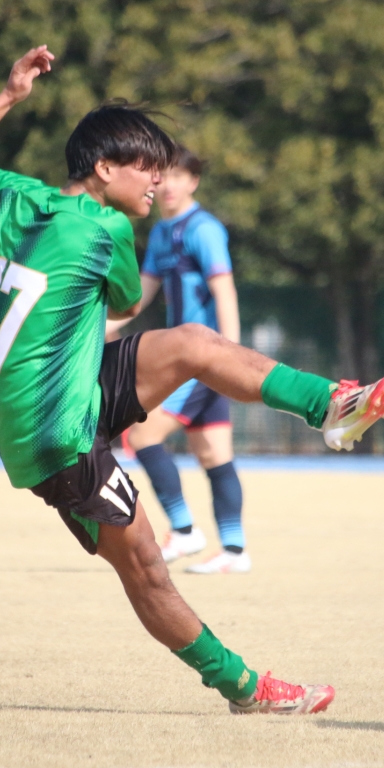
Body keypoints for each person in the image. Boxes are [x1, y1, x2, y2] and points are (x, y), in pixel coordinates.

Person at [0, 46, 384, 715]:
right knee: (146, 568)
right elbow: (123, 301)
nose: (158, 178)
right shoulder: (107, 228)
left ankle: (331, 404)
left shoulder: (13, 196)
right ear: (103, 169)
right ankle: (245, 687)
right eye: (146, 166)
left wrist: (8, 96)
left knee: (194, 343)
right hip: (55, 434)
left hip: (67, 389)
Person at [107, 147, 251, 573]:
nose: (167, 184)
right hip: (193, 360)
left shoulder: (204, 229)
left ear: (193, 182)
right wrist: (98, 328)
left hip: (202, 362)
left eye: (177, 176)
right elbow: (140, 297)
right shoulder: (161, 234)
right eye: (161, 175)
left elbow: (224, 291)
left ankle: (185, 530)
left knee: (142, 435)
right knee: (214, 456)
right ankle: (235, 551)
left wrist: (231, 356)